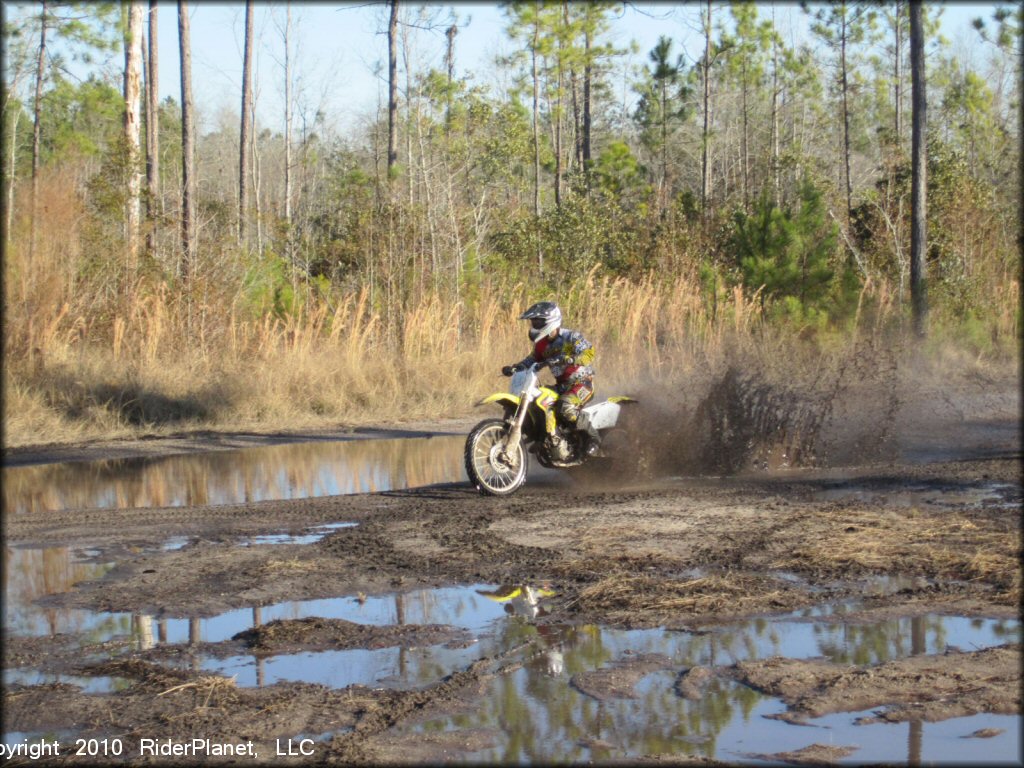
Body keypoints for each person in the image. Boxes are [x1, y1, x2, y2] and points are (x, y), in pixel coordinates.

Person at [501, 301, 600, 456]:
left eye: (538, 321)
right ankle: (548, 438)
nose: (535, 324)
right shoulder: (542, 345)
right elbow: (532, 359)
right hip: (561, 386)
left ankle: (593, 438)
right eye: (534, 322)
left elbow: (589, 353)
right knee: (538, 400)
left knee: (565, 406)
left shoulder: (570, 338)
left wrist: (570, 359)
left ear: (550, 321)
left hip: (581, 383)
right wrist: (515, 368)